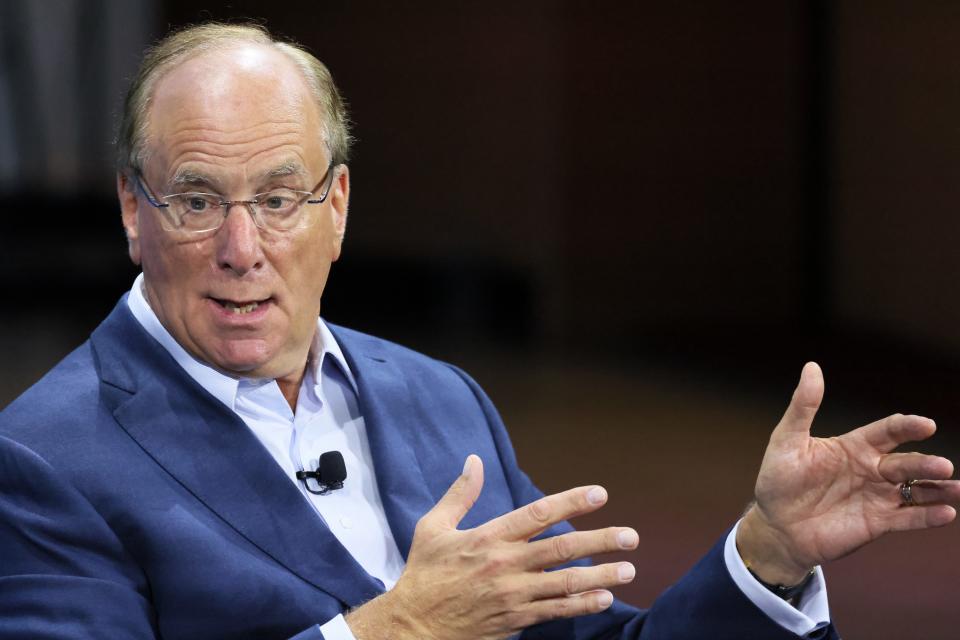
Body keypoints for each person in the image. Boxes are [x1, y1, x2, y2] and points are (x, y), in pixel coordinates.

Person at [1, 22, 958, 640]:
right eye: (198, 200)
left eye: (280, 198)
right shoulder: (45, 460)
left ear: (338, 206)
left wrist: (768, 555)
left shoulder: (436, 398)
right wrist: (397, 632)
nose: (242, 247)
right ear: (133, 211)